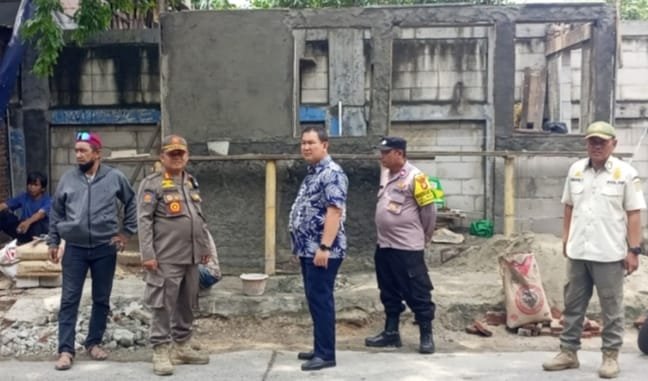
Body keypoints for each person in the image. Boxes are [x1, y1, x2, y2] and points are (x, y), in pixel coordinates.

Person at [542, 121, 646, 379]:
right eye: (592, 141)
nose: (596, 146)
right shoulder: (576, 170)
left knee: (612, 308)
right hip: (578, 252)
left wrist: (634, 250)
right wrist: (566, 237)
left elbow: (634, 214)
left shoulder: (625, 173)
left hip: (610, 254)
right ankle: (568, 352)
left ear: (613, 144)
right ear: (586, 143)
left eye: (602, 141)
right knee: (573, 305)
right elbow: (568, 205)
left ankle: (610, 356)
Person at [48, 131, 137, 371]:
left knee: (101, 298)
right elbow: (56, 212)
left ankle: (94, 342)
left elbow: (131, 201)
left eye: (82, 150)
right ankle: (65, 350)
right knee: (69, 299)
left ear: (97, 153)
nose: (77, 155)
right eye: (75, 150)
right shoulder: (67, 179)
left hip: (104, 247)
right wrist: (53, 242)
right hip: (75, 248)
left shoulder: (114, 177)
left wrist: (127, 232)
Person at [138, 135, 211, 376]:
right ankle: (160, 348)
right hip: (165, 257)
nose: (177, 157)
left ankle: (182, 345)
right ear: (162, 157)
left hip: (190, 256)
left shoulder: (190, 182)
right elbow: (144, 220)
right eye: (172, 154)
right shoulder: (153, 183)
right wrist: (147, 253)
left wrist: (204, 249)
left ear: (187, 156)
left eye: (181, 153)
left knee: (187, 303)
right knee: (163, 304)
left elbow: (198, 218)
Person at [365, 136, 437, 354]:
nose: (382, 157)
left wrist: (423, 236)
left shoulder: (417, 178)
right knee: (388, 291)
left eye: (386, 153)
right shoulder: (386, 174)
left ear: (399, 153)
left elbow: (430, 212)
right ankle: (391, 333)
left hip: (407, 248)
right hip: (385, 246)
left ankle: (426, 335)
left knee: (417, 291)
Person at [289, 126, 348, 371]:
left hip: (323, 250)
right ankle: (320, 347)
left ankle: (326, 354)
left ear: (325, 145)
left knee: (321, 300)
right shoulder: (313, 173)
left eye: (311, 143)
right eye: (303, 143)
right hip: (308, 249)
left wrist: (324, 246)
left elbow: (334, 211)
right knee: (314, 300)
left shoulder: (332, 173)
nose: (306, 147)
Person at [0, 171, 51, 244]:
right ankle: (21, 241)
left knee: (38, 224)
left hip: (39, 232)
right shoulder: (24, 196)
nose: (31, 187)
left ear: (43, 188)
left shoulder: (48, 200)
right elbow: (4, 205)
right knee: (3, 216)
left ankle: (32, 245)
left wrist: (28, 222)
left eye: (35, 185)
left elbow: (40, 214)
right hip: (23, 228)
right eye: (30, 184)